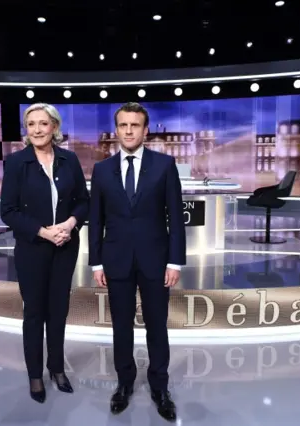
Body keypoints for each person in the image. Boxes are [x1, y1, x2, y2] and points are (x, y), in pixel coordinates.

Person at [88, 102, 185, 421]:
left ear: (145, 130)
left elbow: (175, 218)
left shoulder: (165, 165)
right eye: (123, 125)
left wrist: (175, 262)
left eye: (135, 125)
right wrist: (96, 263)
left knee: (157, 327)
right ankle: (124, 383)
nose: (128, 130)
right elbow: (96, 219)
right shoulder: (102, 170)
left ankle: (160, 387)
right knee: (121, 328)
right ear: (117, 130)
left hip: (156, 261)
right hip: (116, 260)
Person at [0, 103, 89, 404]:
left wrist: (70, 223)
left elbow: (83, 202)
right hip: (33, 248)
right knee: (35, 312)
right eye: (31, 124)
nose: (37, 130)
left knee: (58, 311)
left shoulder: (70, 160)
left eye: (43, 123)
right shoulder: (16, 163)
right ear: (27, 130)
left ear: (54, 127)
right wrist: (42, 231)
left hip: (65, 246)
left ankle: (57, 369)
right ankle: (35, 375)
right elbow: (8, 212)